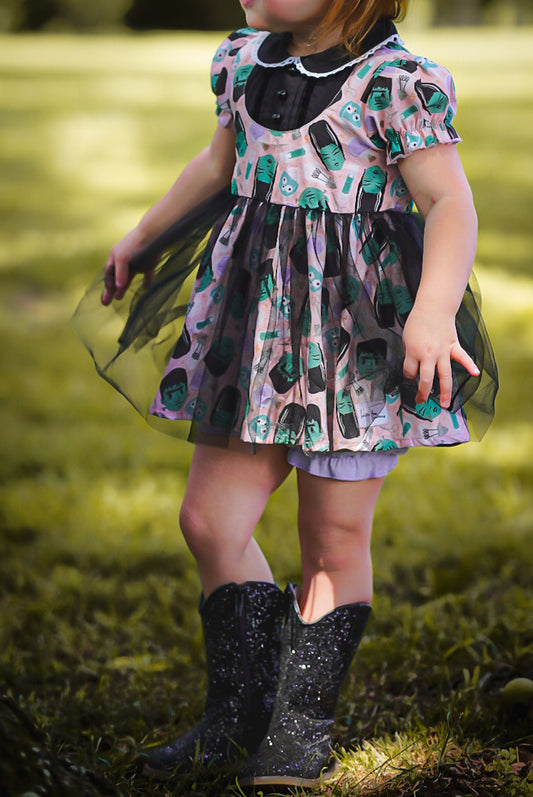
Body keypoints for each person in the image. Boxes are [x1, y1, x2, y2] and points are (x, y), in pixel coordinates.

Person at [72, 0, 498, 788]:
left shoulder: (394, 82)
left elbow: (449, 203)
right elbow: (213, 164)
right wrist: (142, 233)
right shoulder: (243, 59)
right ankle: (235, 713)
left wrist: (433, 312)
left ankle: (300, 724)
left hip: (351, 337)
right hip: (253, 329)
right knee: (207, 520)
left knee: (331, 541)